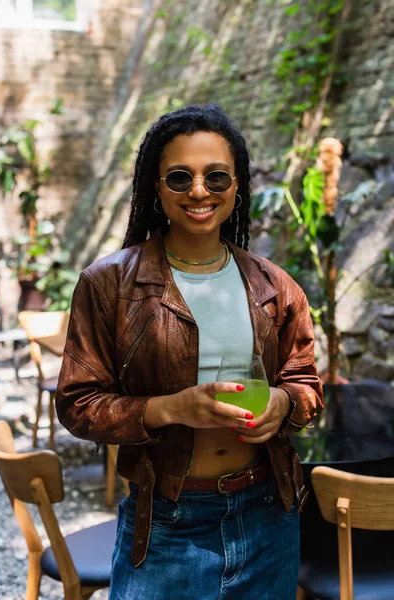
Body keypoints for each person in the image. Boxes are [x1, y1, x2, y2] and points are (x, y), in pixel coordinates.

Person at [56, 104, 323, 600]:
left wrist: (284, 405)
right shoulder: (110, 284)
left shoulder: (275, 286)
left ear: (237, 185)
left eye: (216, 177)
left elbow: (306, 383)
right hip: (165, 524)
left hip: (268, 513)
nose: (199, 191)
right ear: (157, 189)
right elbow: (77, 404)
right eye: (180, 177)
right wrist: (170, 409)